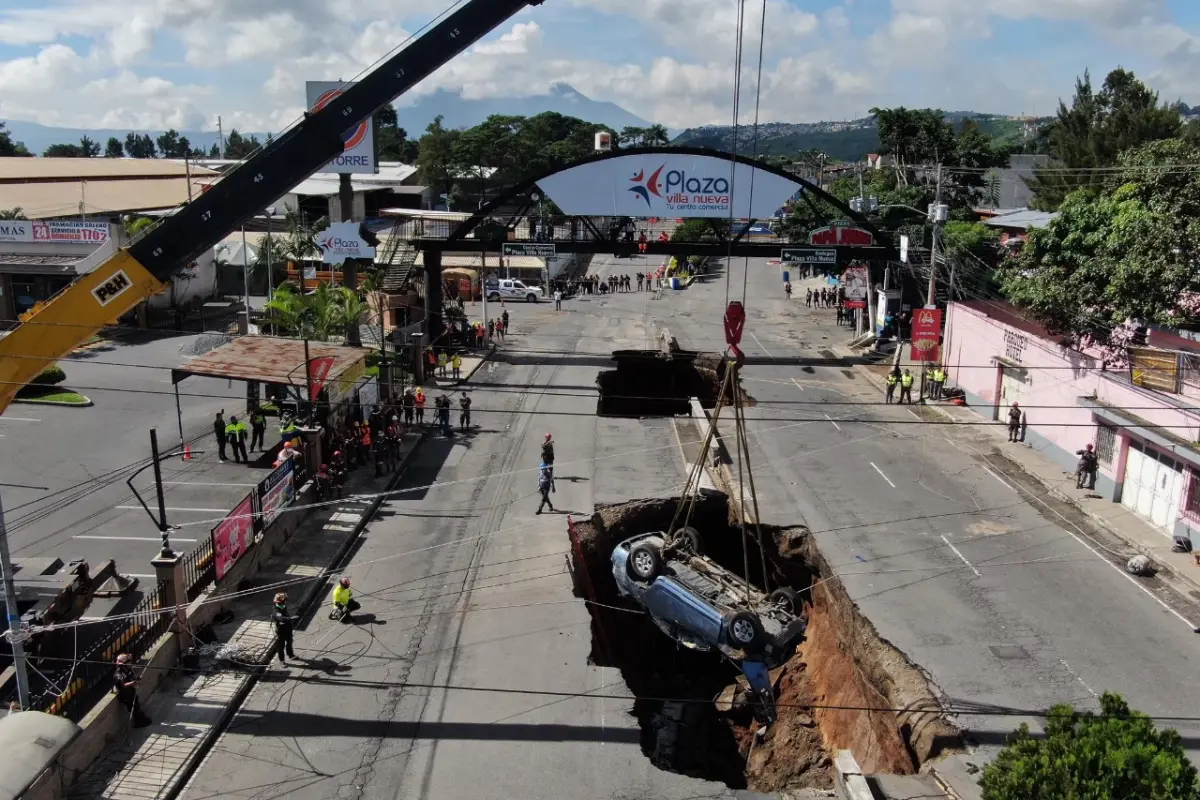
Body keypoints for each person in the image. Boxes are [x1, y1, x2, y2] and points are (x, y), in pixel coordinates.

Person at [113, 653, 151, 727]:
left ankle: (141, 721)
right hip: (125, 695)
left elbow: (131, 677)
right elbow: (124, 684)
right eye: (128, 662)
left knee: (137, 706)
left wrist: (136, 679)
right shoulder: (118, 674)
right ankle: (138, 723)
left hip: (131, 691)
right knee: (134, 709)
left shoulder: (127, 669)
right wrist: (133, 683)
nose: (130, 663)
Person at [272, 592, 299, 663]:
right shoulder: (276, 611)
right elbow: (281, 618)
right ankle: (282, 661)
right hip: (281, 631)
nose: (285, 602)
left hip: (288, 628)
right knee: (281, 646)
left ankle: (291, 655)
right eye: (284, 600)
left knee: (289, 642)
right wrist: (290, 618)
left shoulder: (284, 606)